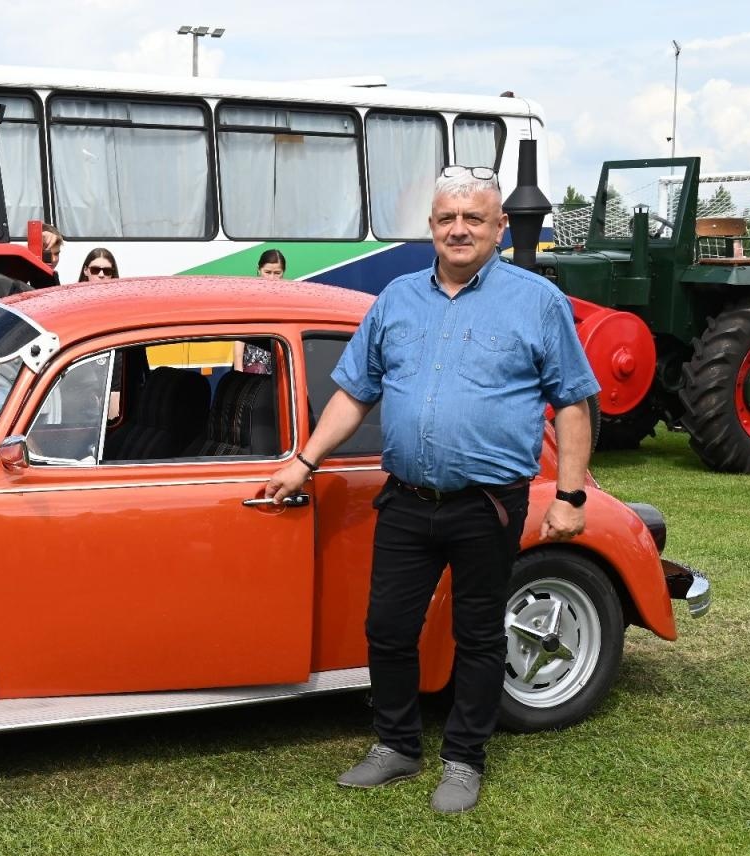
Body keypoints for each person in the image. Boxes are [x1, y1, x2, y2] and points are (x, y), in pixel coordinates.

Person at [262, 166, 600, 814]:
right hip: (409, 499)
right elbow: (355, 392)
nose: (459, 229)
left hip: (489, 503)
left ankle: (464, 759)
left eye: (474, 218)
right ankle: (396, 746)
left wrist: (571, 495)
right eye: (448, 218)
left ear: (500, 228)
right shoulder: (396, 300)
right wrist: (304, 460)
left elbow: (575, 404)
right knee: (387, 627)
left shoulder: (537, 302)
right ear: (432, 229)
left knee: (478, 633)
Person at [235, 249, 288, 373]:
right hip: (254, 365)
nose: (272, 278)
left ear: (283, 272)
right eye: (267, 272)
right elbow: (240, 335)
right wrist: (238, 370)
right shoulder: (249, 297)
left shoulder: (286, 298)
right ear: (258, 270)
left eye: (277, 273)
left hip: (278, 363)